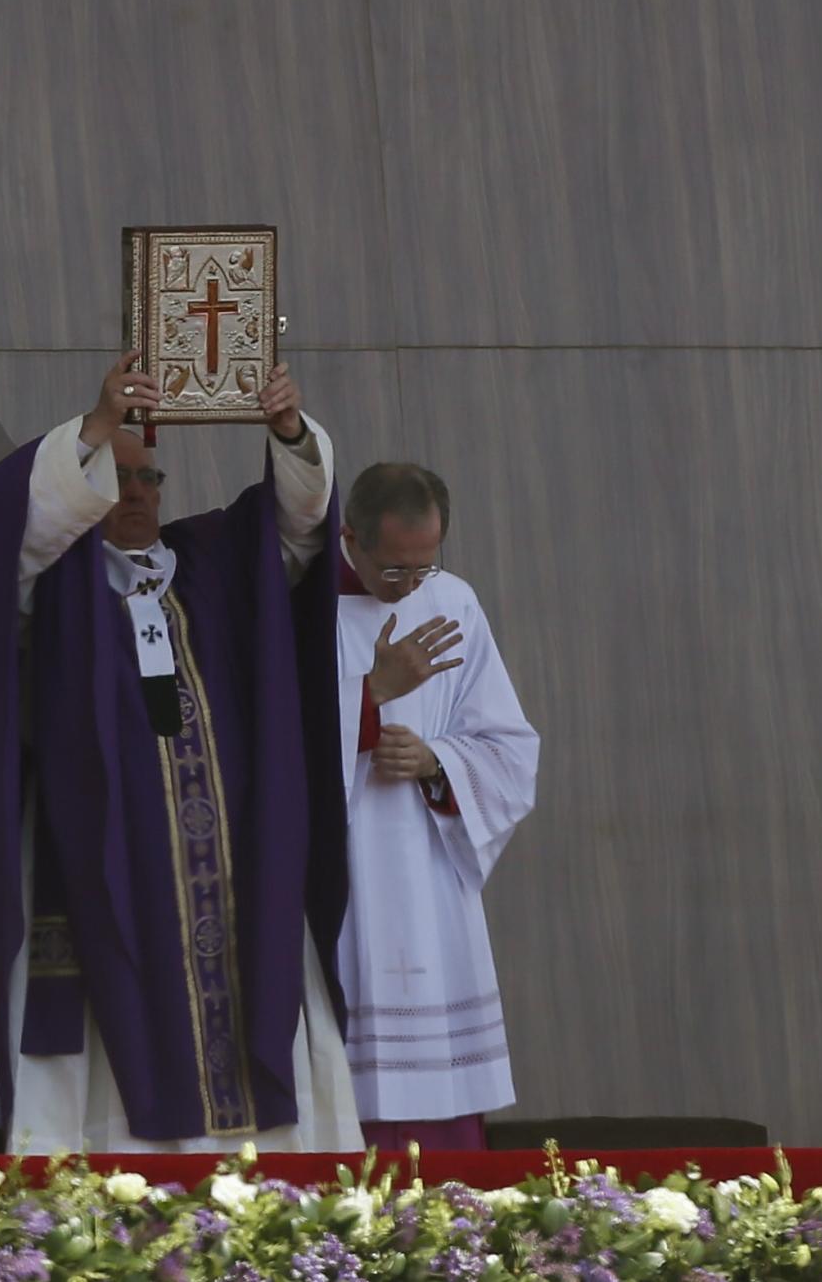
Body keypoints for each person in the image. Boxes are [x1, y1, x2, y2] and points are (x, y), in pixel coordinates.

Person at [0, 353, 361, 1152]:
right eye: (117, 477)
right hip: (109, 860)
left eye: (150, 480)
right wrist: (99, 423)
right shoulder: (57, 581)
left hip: (235, 859)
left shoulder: (213, 563)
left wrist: (287, 431)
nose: (136, 495)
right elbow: (15, 526)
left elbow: (299, 532)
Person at [334, 463, 539, 1150]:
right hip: (342, 874)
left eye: (424, 567)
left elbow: (509, 747)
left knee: (439, 1122)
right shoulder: (299, 605)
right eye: (394, 571)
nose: (410, 587)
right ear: (350, 537)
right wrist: (366, 703)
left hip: (426, 874)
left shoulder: (454, 601)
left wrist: (435, 762)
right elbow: (262, 750)